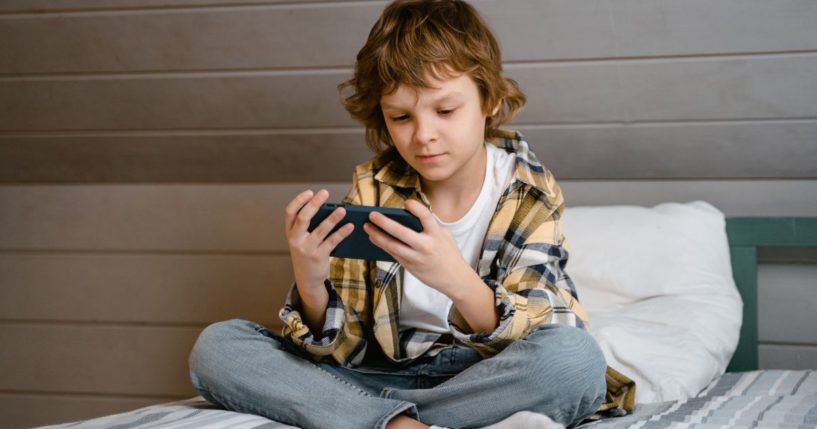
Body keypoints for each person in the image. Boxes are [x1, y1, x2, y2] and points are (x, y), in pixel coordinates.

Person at [188, 1, 635, 428]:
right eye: (401, 117)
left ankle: (365, 420)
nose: (424, 136)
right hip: (374, 377)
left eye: (445, 110)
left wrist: (454, 278)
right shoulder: (373, 188)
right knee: (218, 348)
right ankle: (400, 424)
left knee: (574, 361)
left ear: (490, 101)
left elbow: (549, 323)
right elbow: (345, 352)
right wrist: (310, 282)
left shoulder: (529, 190)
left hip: (477, 378)